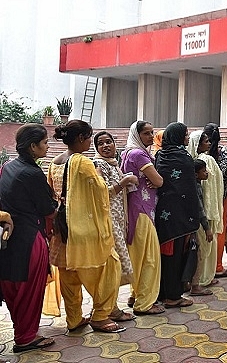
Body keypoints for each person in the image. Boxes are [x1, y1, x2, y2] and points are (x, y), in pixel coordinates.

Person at [48, 120, 123, 333]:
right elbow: (102, 192)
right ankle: (100, 316)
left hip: (63, 229)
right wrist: (116, 182)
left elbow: (52, 193)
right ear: (81, 138)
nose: (91, 142)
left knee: (69, 275)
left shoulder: (55, 162)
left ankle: (74, 319)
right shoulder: (82, 161)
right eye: (90, 137)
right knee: (110, 266)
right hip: (84, 228)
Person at [0, 124, 57, 352]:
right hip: (30, 237)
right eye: (44, 142)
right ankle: (25, 337)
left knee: (14, 287)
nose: (47, 146)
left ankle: (23, 331)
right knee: (30, 290)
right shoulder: (32, 173)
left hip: (9, 235)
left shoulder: (8, 166)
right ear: (33, 146)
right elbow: (48, 210)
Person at [120, 121, 165, 315]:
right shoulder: (138, 154)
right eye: (145, 133)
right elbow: (158, 180)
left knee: (137, 256)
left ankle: (135, 294)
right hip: (142, 209)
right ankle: (145, 303)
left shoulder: (127, 152)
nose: (149, 136)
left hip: (134, 209)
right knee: (150, 258)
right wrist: (157, 181)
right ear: (137, 135)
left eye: (151, 133)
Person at [93, 131, 137, 322]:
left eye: (108, 142)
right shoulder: (99, 165)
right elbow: (102, 193)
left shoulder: (113, 164)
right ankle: (110, 309)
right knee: (113, 265)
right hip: (108, 220)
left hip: (118, 219)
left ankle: (112, 306)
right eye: (100, 143)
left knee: (117, 265)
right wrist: (124, 182)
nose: (105, 146)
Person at [154, 122, 198, 308]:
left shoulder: (160, 155)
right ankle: (172, 296)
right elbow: (189, 188)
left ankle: (164, 293)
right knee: (174, 255)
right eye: (185, 135)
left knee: (166, 256)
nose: (188, 138)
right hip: (178, 215)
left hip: (164, 213)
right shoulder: (182, 156)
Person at [188, 131, 223, 293]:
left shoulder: (191, 161)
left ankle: (199, 278)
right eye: (205, 141)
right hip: (205, 213)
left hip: (201, 213)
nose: (209, 143)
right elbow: (207, 192)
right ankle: (202, 279)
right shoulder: (204, 161)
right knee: (203, 249)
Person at [203, 123, 227, 278]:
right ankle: (218, 266)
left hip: (201, 196)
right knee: (219, 230)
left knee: (203, 231)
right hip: (221, 197)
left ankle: (203, 269)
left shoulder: (197, 153)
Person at [189, 158, 214, 296]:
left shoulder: (193, 184)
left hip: (190, 223)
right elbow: (200, 209)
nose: (207, 173)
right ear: (196, 174)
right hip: (197, 224)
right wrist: (207, 228)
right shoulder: (196, 187)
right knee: (198, 254)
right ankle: (195, 286)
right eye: (204, 171)